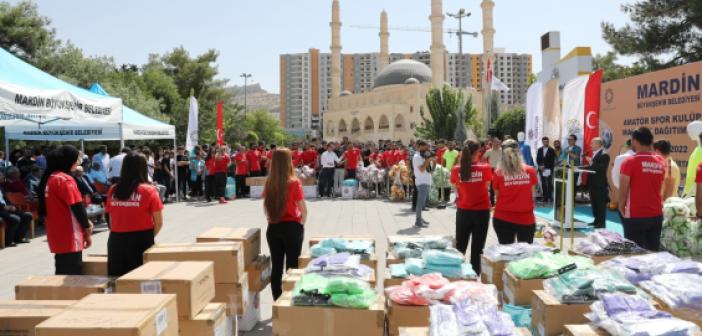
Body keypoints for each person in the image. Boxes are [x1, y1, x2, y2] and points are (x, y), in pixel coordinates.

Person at [106, 152, 164, 277]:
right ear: (143, 168)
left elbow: (111, 220)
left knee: (117, 280)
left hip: (116, 240)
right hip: (142, 239)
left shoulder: (113, 189)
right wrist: (148, 237)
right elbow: (159, 222)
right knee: (141, 281)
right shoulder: (149, 190)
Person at [38, 145, 93, 275]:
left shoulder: (51, 177)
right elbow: (77, 206)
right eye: (75, 159)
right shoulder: (65, 180)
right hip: (69, 233)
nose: (78, 163)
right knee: (72, 275)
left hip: (56, 232)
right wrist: (87, 227)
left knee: (62, 270)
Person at [264, 148, 306, 300]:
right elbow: (303, 210)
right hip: (291, 227)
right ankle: (290, 301)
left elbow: (267, 207)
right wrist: (302, 224)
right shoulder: (294, 182)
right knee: (292, 266)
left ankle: (277, 300)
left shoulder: (269, 182)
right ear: (289, 162)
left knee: (276, 266)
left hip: (273, 227)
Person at [618, 127, 666, 251]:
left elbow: (623, 189)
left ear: (635, 141)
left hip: (636, 215)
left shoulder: (629, 161)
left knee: (633, 255)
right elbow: (661, 187)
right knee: (652, 254)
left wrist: (621, 206)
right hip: (656, 214)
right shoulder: (661, 161)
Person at [450, 140, 492, 274]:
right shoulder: (485, 168)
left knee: (460, 245)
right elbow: (487, 187)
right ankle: (474, 274)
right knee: (478, 247)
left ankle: (459, 273)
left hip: (463, 211)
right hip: (482, 212)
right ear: (477, 152)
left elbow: (455, 187)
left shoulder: (457, 169)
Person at [492, 139, 538, 244]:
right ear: (518, 152)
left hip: (503, 217)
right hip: (526, 218)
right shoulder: (530, 171)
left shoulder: (498, 173)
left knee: (506, 255)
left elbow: (497, 197)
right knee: (525, 257)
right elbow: (531, 195)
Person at [0, 172, 32, 246]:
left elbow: (6, 200)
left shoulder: (1, 188)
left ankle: (19, 238)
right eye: (1, 175)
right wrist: (4, 207)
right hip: (1, 210)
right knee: (15, 219)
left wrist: (11, 206)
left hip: (6, 208)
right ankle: (8, 241)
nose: (3, 177)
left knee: (27, 215)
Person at [584, 137, 610, 228]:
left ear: (599, 144)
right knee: (594, 204)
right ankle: (596, 221)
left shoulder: (604, 155)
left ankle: (601, 223)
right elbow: (593, 167)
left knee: (600, 205)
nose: (590, 145)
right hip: (592, 184)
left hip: (600, 185)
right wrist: (581, 167)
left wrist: (591, 162)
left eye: (592, 143)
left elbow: (601, 168)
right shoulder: (595, 154)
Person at [412, 140, 433, 228]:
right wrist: (428, 160)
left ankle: (420, 218)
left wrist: (431, 161)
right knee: (420, 203)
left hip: (425, 181)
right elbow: (421, 169)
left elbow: (428, 169)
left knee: (422, 203)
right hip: (421, 182)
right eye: (425, 147)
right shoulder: (417, 157)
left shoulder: (422, 156)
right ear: (419, 146)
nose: (427, 149)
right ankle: (418, 222)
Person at [536, 137, 556, 203]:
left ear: (548, 142)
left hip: (549, 169)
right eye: (544, 142)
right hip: (541, 169)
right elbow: (537, 159)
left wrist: (546, 167)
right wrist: (540, 166)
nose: (545, 143)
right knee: (543, 183)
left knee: (549, 183)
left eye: (546, 141)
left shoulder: (552, 150)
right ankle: (545, 197)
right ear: (542, 142)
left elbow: (552, 160)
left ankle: (550, 197)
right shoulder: (539, 149)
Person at [483, 136, 503, 205]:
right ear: (492, 143)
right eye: (495, 142)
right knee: (492, 187)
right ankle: (492, 202)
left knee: (501, 185)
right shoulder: (489, 151)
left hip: (501, 169)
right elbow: (482, 159)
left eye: (498, 142)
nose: (497, 143)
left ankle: (500, 201)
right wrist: (486, 166)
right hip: (492, 170)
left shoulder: (502, 150)